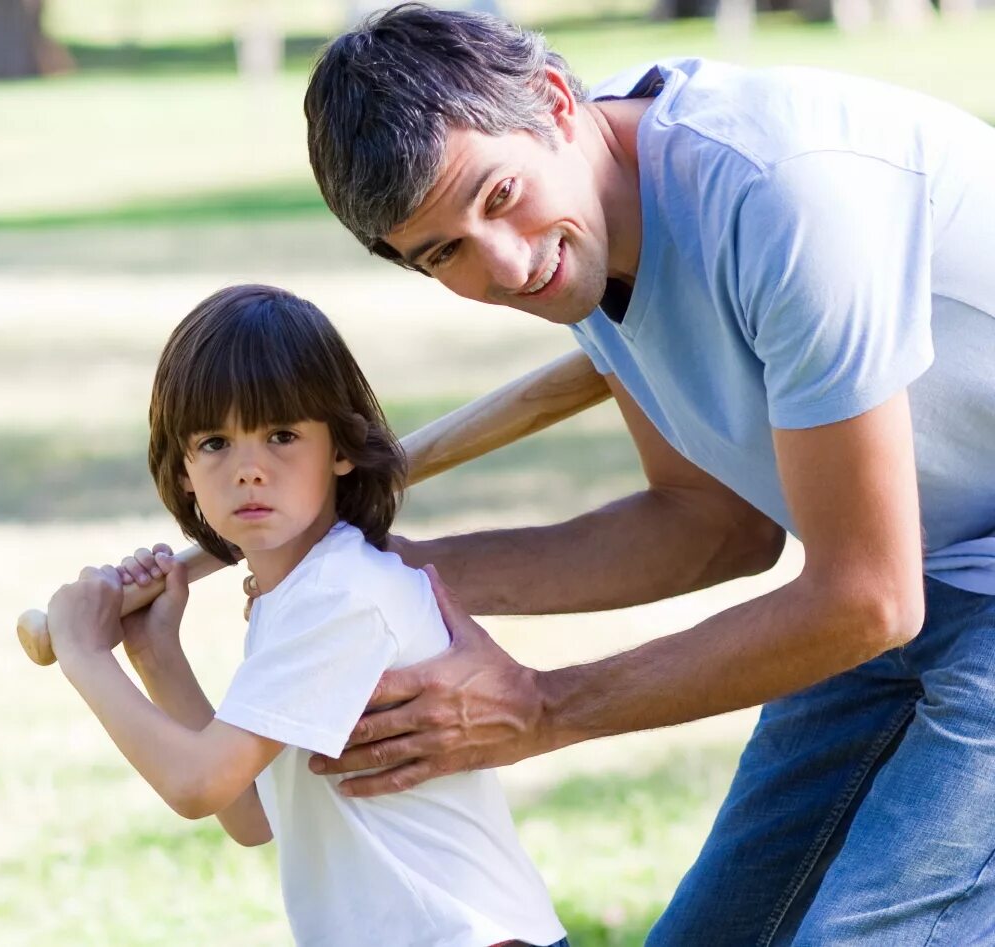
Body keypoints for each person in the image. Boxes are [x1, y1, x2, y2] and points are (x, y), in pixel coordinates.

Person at [299, 3, 995, 944]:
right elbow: (707, 524)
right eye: (445, 252)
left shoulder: (779, 194)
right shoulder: (591, 234)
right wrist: (387, 567)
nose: (504, 266)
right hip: (932, 574)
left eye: (497, 196)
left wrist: (544, 707)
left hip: (915, 585)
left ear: (554, 101)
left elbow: (869, 599)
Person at [44, 284, 569, 947]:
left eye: (282, 435)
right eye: (214, 443)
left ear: (341, 447)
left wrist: (84, 654)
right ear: (183, 468)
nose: (249, 470)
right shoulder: (293, 597)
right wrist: (156, 654)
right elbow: (252, 812)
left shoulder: (340, 596)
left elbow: (196, 783)